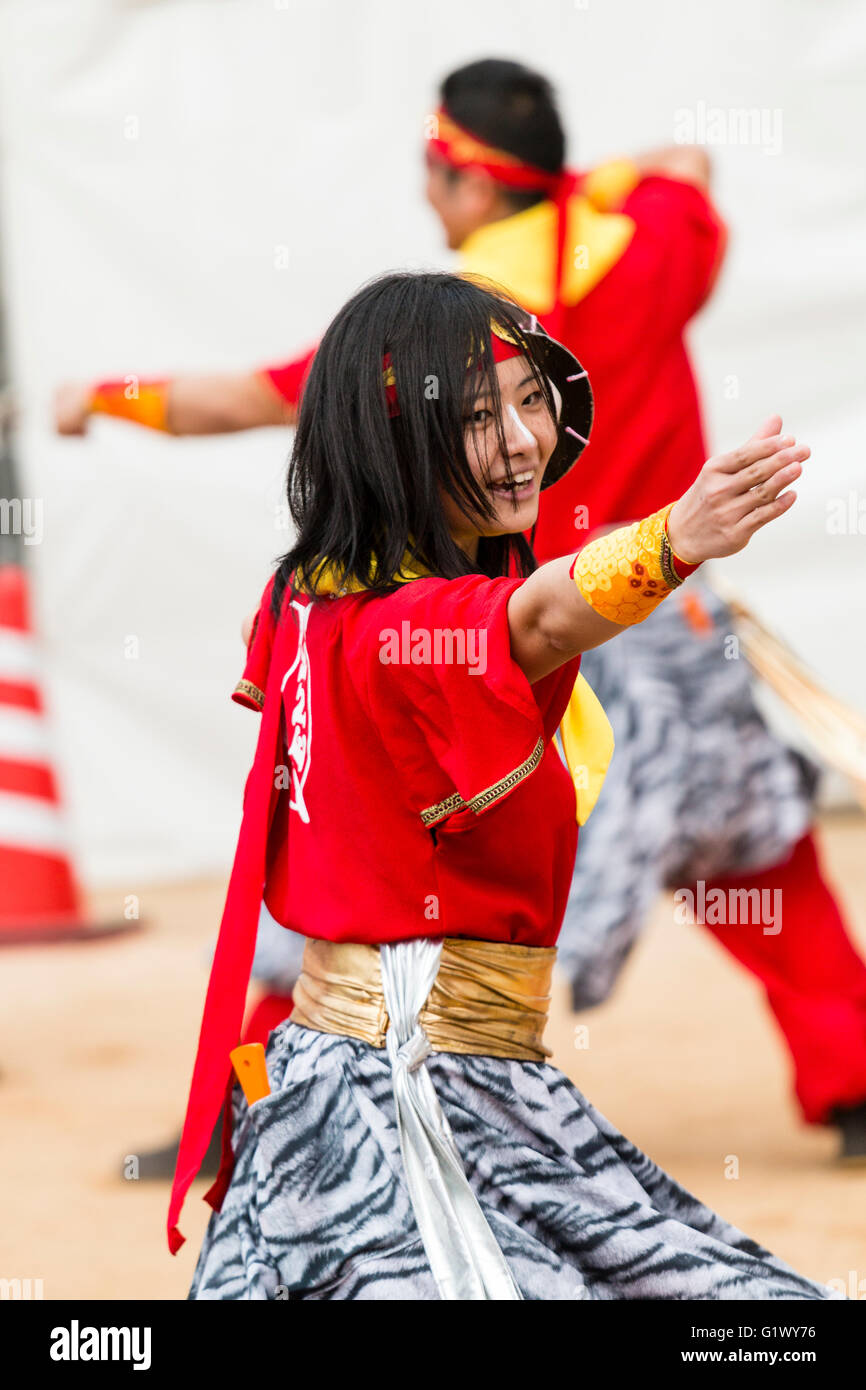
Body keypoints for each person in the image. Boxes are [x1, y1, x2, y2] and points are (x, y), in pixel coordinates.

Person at [54, 60, 866, 1163]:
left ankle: (244, 1114)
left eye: (437, 173)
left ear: (475, 186)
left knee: (360, 876)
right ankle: (854, 1073)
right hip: (674, 634)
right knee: (752, 852)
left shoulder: (436, 346)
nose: (427, 194)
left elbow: (237, 399)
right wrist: (590, 183)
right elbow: (688, 165)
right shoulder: (655, 238)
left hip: (512, 628)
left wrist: (101, 397)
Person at [167, 268, 830, 1301]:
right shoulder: (397, 627)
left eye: (531, 399)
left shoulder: (312, 595)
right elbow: (535, 620)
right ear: (396, 441)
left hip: (471, 1083)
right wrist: (670, 540)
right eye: (480, 416)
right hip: (392, 1111)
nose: (523, 439)